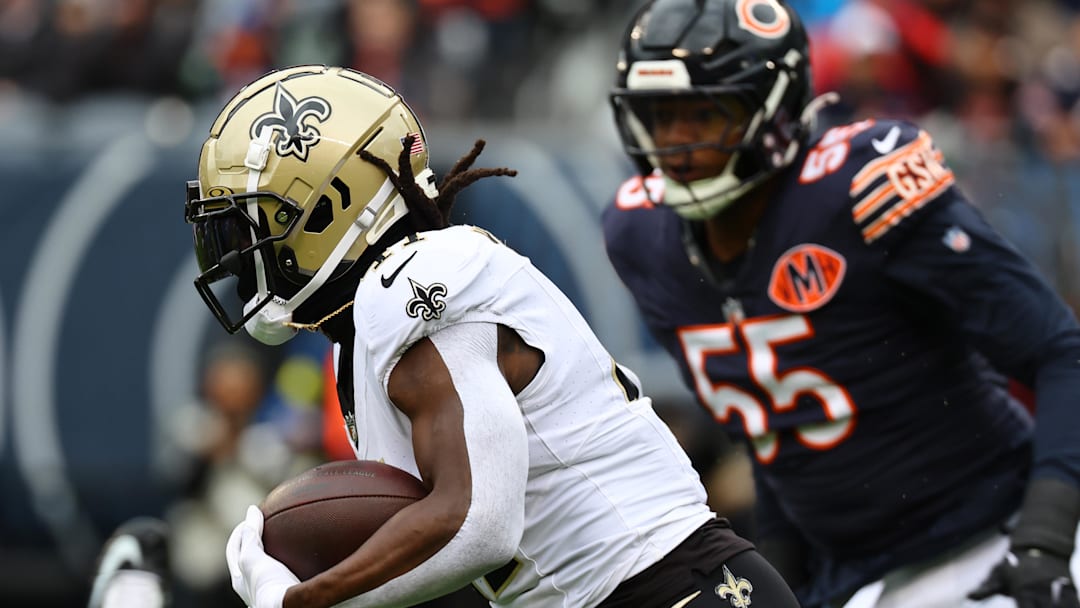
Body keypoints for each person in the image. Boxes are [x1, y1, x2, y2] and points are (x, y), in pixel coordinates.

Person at [183, 65, 800, 608]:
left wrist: (305, 600)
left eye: (251, 224)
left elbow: (479, 523)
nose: (239, 255)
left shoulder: (410, 283)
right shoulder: (364, 327)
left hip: (671, 586)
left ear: (325, 208)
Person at [601, 1, 1080, 607]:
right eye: (659, 116)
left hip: (987, 543)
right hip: (850, 576)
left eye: (704, 113)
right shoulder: (640, 236)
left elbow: (1061, 351)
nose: (677, 144)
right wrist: (781, 574)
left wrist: (1045, 539)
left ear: (773, 110)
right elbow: (772, 434)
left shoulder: (853, 191)